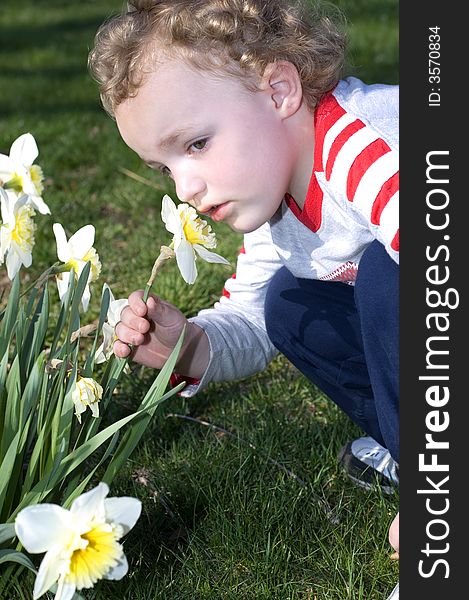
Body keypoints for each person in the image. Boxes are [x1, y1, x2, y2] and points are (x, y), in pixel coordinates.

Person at [88, 0, 399, 596]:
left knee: (395, 276)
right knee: (289, 303)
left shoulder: (372, 153)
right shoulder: (274, 199)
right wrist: (188, 346)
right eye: (164, 167)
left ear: (279, 90)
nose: (186, 187)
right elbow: (254, 324)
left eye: (197, 144)